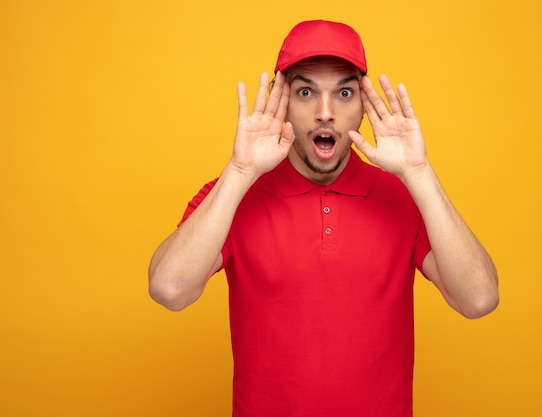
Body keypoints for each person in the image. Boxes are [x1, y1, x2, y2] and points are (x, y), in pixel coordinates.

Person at [149, 19, 499, 417]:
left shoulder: (404, 195)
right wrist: (240, 171)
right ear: (281, 102)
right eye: (305, 92)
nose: (325, 113)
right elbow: (169, 289)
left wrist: (419, 174)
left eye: (345, 92)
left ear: (363, 107)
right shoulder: (231, 195)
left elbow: (479, 299)